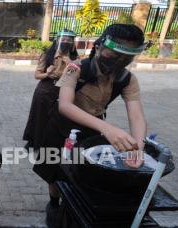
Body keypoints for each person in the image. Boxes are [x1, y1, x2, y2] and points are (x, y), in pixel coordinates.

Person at [34, 24, 147, 227]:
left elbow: (137, 116)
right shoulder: (75, 68)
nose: (118, 63)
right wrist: (108, 129)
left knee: (82, 171)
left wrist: (138, 148)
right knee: (55, 170)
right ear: (98, 46)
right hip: (62, 125)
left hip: (91, 128)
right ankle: (53, 203)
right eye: (114, 55)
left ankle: (74, 203)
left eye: (126, 59)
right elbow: (65, 105)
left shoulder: (128, 79)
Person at [23, 30, 78, 150]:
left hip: (64, 91)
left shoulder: (75, 60)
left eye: (69, 40)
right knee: (38, 115)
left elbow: (76, 77)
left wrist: (70, 63)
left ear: (73, 43)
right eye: (63, 39)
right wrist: (47, 73)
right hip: (45, 89)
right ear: (57, 40)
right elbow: (37, 75)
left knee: (56, 119)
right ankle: (33, 141)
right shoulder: (47, 55)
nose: (66, 42)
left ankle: (50, 143)